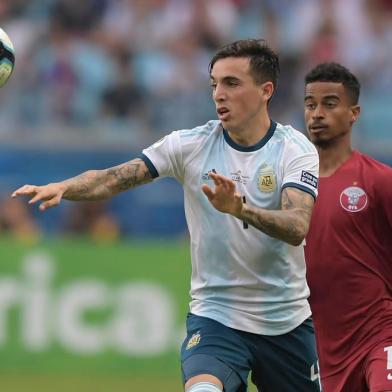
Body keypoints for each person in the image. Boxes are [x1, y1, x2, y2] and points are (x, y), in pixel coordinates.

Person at [12, 39, 321, 392]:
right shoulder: (188, 145)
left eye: (231, 83)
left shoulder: (294, 150)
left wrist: (241, 209)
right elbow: (113, 179)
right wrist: (64, 187)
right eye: (214, 84)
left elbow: (297, 226)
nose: (219, 94)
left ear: (266, 90)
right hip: (216, 318)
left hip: (286, 324)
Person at [304, 62, 392, 392]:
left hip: (380, 331)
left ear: (353, 113)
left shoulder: (379, 180)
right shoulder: (292, 187)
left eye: (329, 103)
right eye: (311, 104)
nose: (317, 114)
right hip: (321, 344)